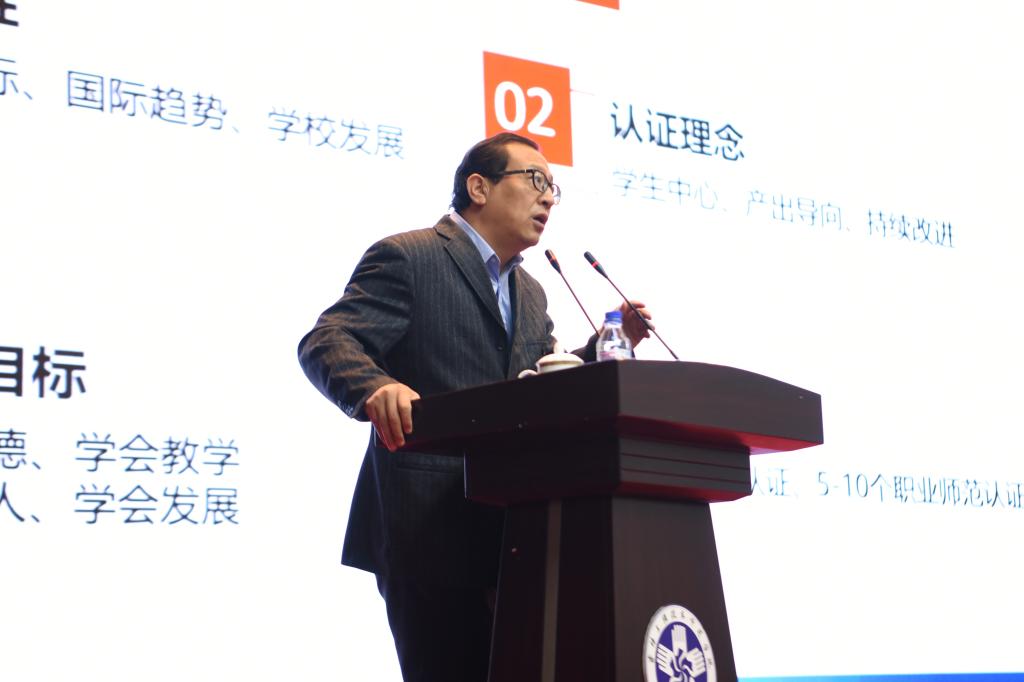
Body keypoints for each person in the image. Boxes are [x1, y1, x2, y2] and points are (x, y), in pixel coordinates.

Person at [297, 132, 652, 682]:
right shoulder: (410, 256)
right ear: (479, 187)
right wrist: (373, 387)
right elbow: (328, 339)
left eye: (554, 188)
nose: (548, 197)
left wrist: (609, 345)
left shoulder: (530, 290)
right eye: (535, 180)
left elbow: (541, 380)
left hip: (512, 532)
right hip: (428, 529)